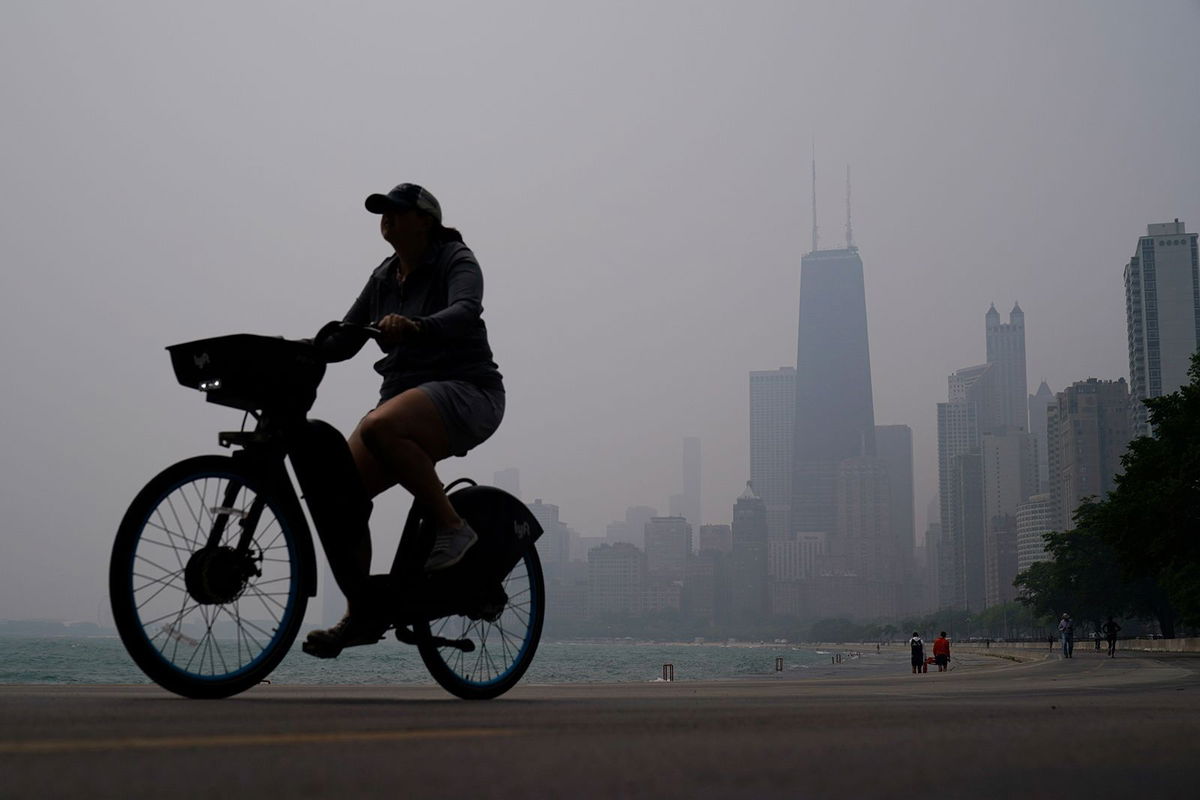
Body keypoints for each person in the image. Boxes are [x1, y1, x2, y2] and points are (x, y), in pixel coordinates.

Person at [304, 183, 505, 657]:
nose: (387, 218)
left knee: (379, 428)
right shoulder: (383, 276)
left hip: (467, 390)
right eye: (382, 213)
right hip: (403, 396)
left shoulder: (455, 258)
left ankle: (453, 528)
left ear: (425, 221)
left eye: (397, 211)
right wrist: (306, 351)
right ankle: (361, 615)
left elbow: (465, 310)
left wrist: (416, 325)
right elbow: (347, 337)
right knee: (339, 495)